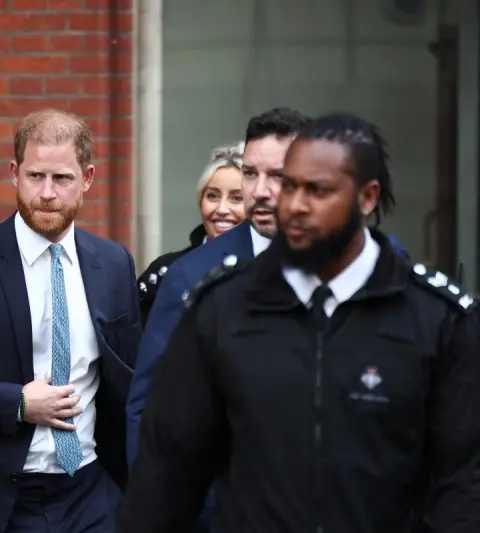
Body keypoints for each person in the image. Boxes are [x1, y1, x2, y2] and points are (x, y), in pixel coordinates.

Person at [117, 111, 480, 533]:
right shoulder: (221, 307)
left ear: (367, 198)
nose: (295, 204)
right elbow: (167, 469)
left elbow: (463, 479)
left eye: (318, 190)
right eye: (289, 186)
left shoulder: (436, 319)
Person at [0, 108, 141, 533]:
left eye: (62, 178)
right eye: (35, 176)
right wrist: (14, 403)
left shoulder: (114, 263)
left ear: (87, 178)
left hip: (90, 491)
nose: (47, 193)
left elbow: (128, 377)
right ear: (15, 174)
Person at [137, 141, 245, 327]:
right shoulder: (166, 271)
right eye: (212, 196)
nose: (221, 209)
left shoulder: (271, 271)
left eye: (237, 198)